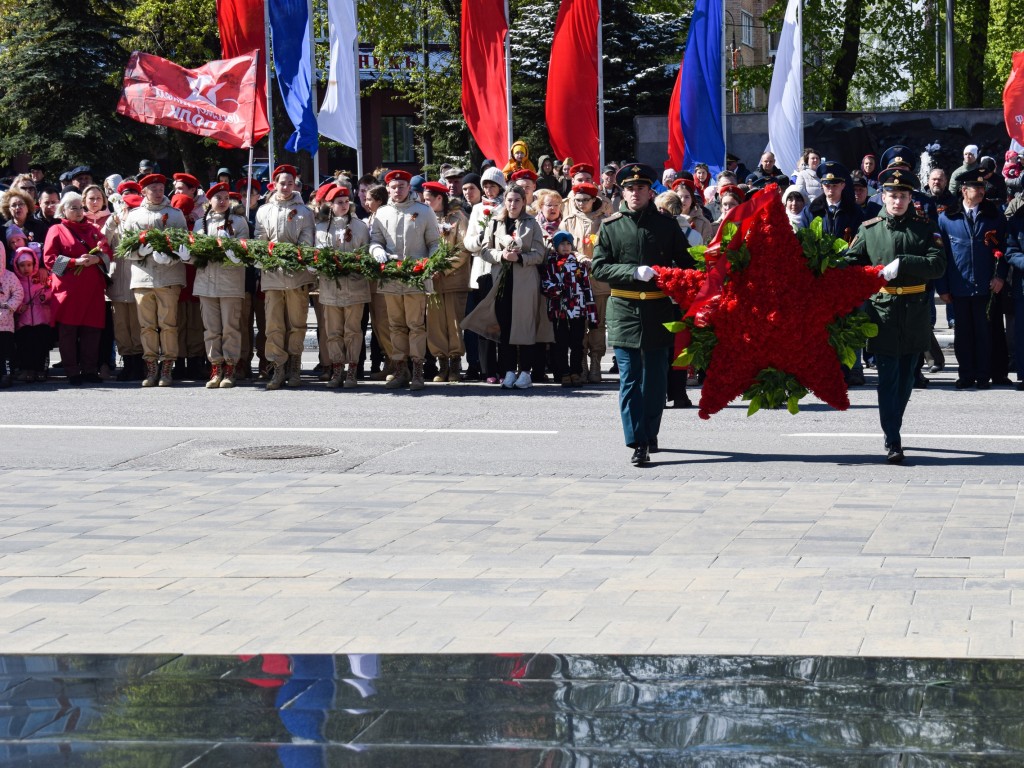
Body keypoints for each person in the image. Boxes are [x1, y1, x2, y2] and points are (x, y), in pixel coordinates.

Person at [591, 163, 693, 466]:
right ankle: (637, 440)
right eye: (630, 188)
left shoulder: (666, 225)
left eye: (641, 188)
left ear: (651, 192)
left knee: (656, 381)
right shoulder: (611, 225)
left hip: (658, 310)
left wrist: (679, 275)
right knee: (631, 378)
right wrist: (632, 271)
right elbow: (599, 267)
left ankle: (650, 432)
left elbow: (687, 262)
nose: (635, 193)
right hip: (624, 310)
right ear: (623, 191)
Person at [845, 168, 946, 463]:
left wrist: (903, 263)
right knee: (888, 378)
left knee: (905, 381)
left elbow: (938, 265)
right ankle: (893, 438)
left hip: (914, 313)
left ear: (910, 197)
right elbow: (852, 263)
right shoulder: (870, 228)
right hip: (883, 313)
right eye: (892, 195)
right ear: (883, 196)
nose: (897, 200)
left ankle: (894, 425)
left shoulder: (926, 228)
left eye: (903, 195)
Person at [462, 184, 547, 390]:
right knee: (505, 326)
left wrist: (519, 257)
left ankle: (525, 371)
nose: (512, 204)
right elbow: (484, 250)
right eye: (509, 200)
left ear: (523, 202)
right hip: (500, 281)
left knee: (524, 326)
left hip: (525, 283)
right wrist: (501, 256)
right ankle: (508, 370)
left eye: (517, 200)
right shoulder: (495, 222)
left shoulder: (531, 223)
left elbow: (539, 254)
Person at [935, 170, 1007, 390]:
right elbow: (941, 255)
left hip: (986, 286)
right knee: (963, 335)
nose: (982, 192)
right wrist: (943, 288)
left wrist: (1000, 276)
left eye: (983, 188)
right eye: (977, 188)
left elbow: (1005, 249)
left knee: (984, 333)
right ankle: (965, 374)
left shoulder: (994, 216)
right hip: (959, 287)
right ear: (964, 191)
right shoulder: (947, 218)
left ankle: (984, 375)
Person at [369, 169, 440, 391]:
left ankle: (418, 370)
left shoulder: (424, 211)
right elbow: (375, 240)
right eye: (393, 187)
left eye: (402, 186)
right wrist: (376, 250)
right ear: (387, 189)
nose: (397, 190)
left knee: (416, 325)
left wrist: (428, 263)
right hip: (391, 277)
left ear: (409, 188)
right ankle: (400, 370)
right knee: (395, 325)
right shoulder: (381, 213)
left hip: (415, 277)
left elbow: (434, 242)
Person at [122, 173, 190, 387]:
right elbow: (124, 248)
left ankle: (167, 367)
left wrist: (169, 258)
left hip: (169, 277)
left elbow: (183, 245)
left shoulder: (175, 214)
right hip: (143, 278)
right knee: (147, 326)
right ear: (143, 192)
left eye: (161, 188)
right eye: (153, 189)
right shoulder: (133, 216)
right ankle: (151, 367)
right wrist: (140, 252)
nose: (158, 192)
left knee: (168, 324)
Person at [255, 164, 316, 390]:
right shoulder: (264, 210)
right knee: (273, 324)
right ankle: (278, 367)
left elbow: (307, 241)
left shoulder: (304, 212)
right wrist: (264, 255)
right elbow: (260, 238)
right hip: (271, 275)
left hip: (296, 275)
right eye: (282, 182)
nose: (286, 186)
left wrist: (294, 255)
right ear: (274, 184)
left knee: (297, 323)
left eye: (291, 183)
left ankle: (295, 366)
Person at [42, 192, 113, 385]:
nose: (78, 211)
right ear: (63, 210)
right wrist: (75, 262)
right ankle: (72, 371)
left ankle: (90, 370)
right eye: (73, 208)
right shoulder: (56, 229)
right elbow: (50, 262)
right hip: (68, 291)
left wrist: (96, 258)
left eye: (80, 207)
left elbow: (108, 252)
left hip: (93, 290)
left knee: (92, 331)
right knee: (68, 332)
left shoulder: (92, 229)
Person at [194, 183, 250, 389]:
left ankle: (230, 368)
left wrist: (232, 249)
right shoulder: (201, 223)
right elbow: (194, 254)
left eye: (226, 197)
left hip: (230, 284)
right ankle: (215, 367)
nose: (223, 201)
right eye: (218, 197)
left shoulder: (238, 221)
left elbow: (245, 251)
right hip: (205, 283)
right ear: (209, 200)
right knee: (211, 329)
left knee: (230, 328)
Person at [315, 185, 370, 388]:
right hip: (330, 287)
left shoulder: (360, 226)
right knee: (333, 331)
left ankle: (352, 370)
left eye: (347, 201)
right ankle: (337, 369)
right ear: (330, 205)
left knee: (353, 330)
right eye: (339, 202)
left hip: (355, 286)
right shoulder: (321, 227)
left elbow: (365, 254)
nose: (344, 205)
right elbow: (317, 253)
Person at [560, 182, 609, 382]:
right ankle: (580, 363)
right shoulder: (568, 221)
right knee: (579, 323)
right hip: (576, 282)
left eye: (585, 200)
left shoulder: (606, 221)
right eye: (577, 200)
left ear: (594, 200)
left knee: (598, 322)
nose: (581, 204)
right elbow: (562, 247)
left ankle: (596, 360)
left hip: (599, 281)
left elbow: (610, 248)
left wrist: (595, 260)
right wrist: (579, 257)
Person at [422, 181, 470, 382]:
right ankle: (442, 364)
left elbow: (463, 248)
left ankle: (455, 364)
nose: (424, 203)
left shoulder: (457, 217)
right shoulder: (424, 217)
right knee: (435, 324)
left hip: (453, 280)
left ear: (439, 198)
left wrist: (444, 268)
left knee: (453, 322)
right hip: (431, 280)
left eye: (428, 199)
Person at [463, 167, 507, 383]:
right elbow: (468, 241)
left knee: (502, 319)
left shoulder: (507, 205)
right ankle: (487, 369)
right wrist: (479, 241)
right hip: (482, 270)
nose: (489, 190)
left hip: (501, 269)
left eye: (493, 185)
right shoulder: (478, 209)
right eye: (486, 186)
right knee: (484, 320)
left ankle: (504, 366)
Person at [542, 230, 597, 386]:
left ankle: (576, 372)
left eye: (568, 244)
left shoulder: (578, 264)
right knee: (560, 343)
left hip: (578, 309)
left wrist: (592, 314)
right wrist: (559, 289)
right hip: (559, 309)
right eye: (562, 244)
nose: (565, 247)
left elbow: (587, 288)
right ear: (555, 246)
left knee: (577, 343)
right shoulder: (550, 264)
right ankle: (563, 372)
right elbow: (545, 285)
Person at [12, 247, 51, 382]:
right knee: (25, 346)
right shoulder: (15, 280)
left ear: (34, 264)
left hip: (42, 318)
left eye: (29, 265)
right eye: (22, 266)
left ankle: (41, 370)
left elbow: (50, 289)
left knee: (41, 345)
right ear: (17, 266)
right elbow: (13, 296)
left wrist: (44, 297)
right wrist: (18, 307)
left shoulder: (41, 277)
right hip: (24, 320)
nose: (26, 268)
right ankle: (27, 370)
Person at [801, 162, 865, 243]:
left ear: (843, 185)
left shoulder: (855, 211)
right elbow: (804, 240)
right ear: (822, 186)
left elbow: (860, 240)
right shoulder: (810, 211)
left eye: (835, 185)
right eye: (827, 186)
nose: (831, 190)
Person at [0, 243, 23, 387]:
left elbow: (18, 293)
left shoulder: (9, 276)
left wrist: (9, 307)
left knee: (5, 352)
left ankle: (6, 374)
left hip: (5, 323)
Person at [671, 178, 715, 243]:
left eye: (687, 197)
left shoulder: (703, 223)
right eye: (679, 197)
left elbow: (707, 247)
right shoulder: (668, 219)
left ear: (692, 199)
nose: (683, 200)